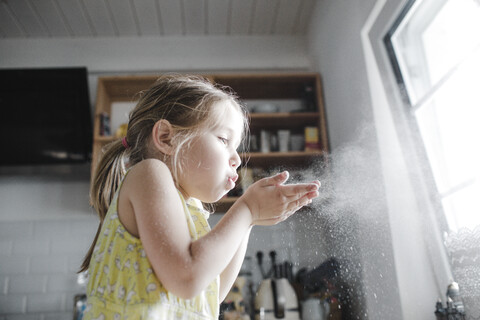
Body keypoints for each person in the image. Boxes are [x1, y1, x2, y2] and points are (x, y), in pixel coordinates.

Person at [79, 74, 320, 320]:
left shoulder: (191, 206)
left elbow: (211, 294)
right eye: (224, 140)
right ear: (166, 137)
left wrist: (250, 221)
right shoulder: (149, 173)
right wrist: (247, 209)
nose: (237, 158)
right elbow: (188, 278)